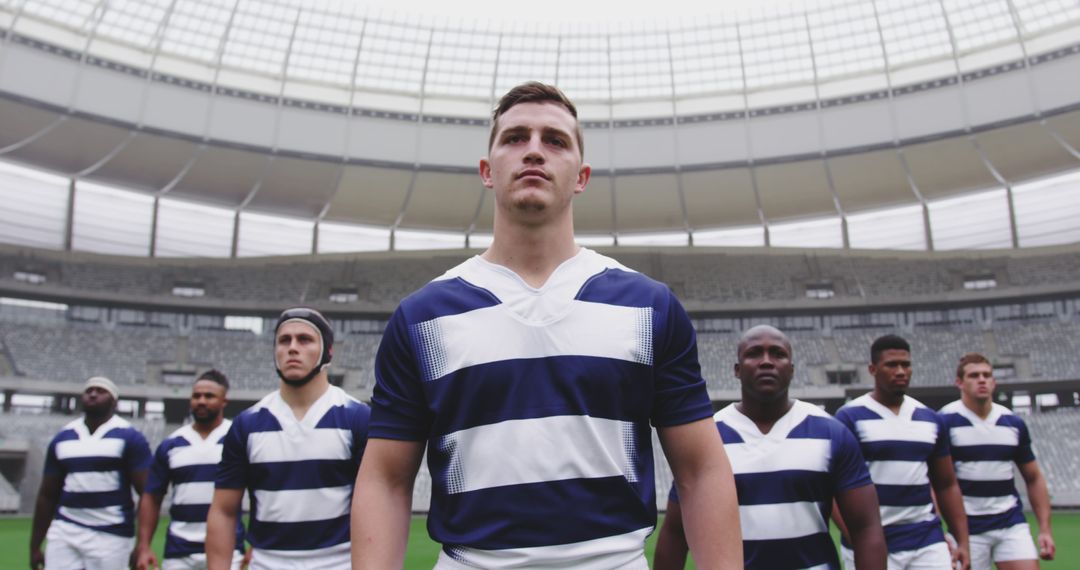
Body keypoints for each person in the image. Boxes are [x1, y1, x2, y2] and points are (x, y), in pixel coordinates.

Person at [351, 81, 741, 569]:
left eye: (555, 141)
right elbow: (385, 479)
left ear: (581, 176)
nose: (534, 150)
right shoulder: (422, 316)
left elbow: (701, 470)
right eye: (515, 137)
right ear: (487, 170)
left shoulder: (649, 306)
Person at [655, 325, 887, 570]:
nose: (766, 361)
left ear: (792, 369)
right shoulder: (709, 437)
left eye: (778, 354)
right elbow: (675, 533)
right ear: (737, 369)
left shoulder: (831, 432)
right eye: (754, 353)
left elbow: (865, 528)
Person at [207, 308, 370, 570]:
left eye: (305, 340)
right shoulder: (246, 425)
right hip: (267, 562)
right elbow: (224, 511)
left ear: (328, 351)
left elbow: (377, 509)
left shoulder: (357, 418)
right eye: (284, 340)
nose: (292, 348)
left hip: (339, 563)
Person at [834, 334, 971, 570]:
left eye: (906, 365)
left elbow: (946, 484)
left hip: (926, 539)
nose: (900, 371)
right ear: (873, 369)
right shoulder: (849, 417)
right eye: (891, 365)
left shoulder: (930, 418)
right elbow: (834, 489)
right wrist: (857, 538)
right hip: (874, 540)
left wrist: (963, 542)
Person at [940, 353, 1055, 570]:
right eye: (974, 375)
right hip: (966, 527)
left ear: (994, 382)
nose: (982, 380)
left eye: (987, 375)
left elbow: (1033, 477)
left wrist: (1045, 530)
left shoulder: (1012, 423)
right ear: (959, 383)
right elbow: (936, 481)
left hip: (1010, 523)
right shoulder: (945, 421)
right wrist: (938, 531)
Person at [29, 376, 152, 570]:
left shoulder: (130, 437)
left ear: (113, 401)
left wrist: (142, 545)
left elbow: (147, 493)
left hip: (111, 534)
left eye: (101, 391)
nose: (93, 394)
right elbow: (47, 494)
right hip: (65, 530)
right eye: (89, 391)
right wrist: (35, 546)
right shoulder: (63, 438)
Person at [132, 369, 246, 570]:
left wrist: (257, 545)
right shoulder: (171, 444)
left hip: (228, 548)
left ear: (224, 401)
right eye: (196, 396)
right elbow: (152, 496)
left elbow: (261, 491)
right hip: (179, 550)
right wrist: (144, 546)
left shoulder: (237, 439)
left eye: (209, 396)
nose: (201, 401)